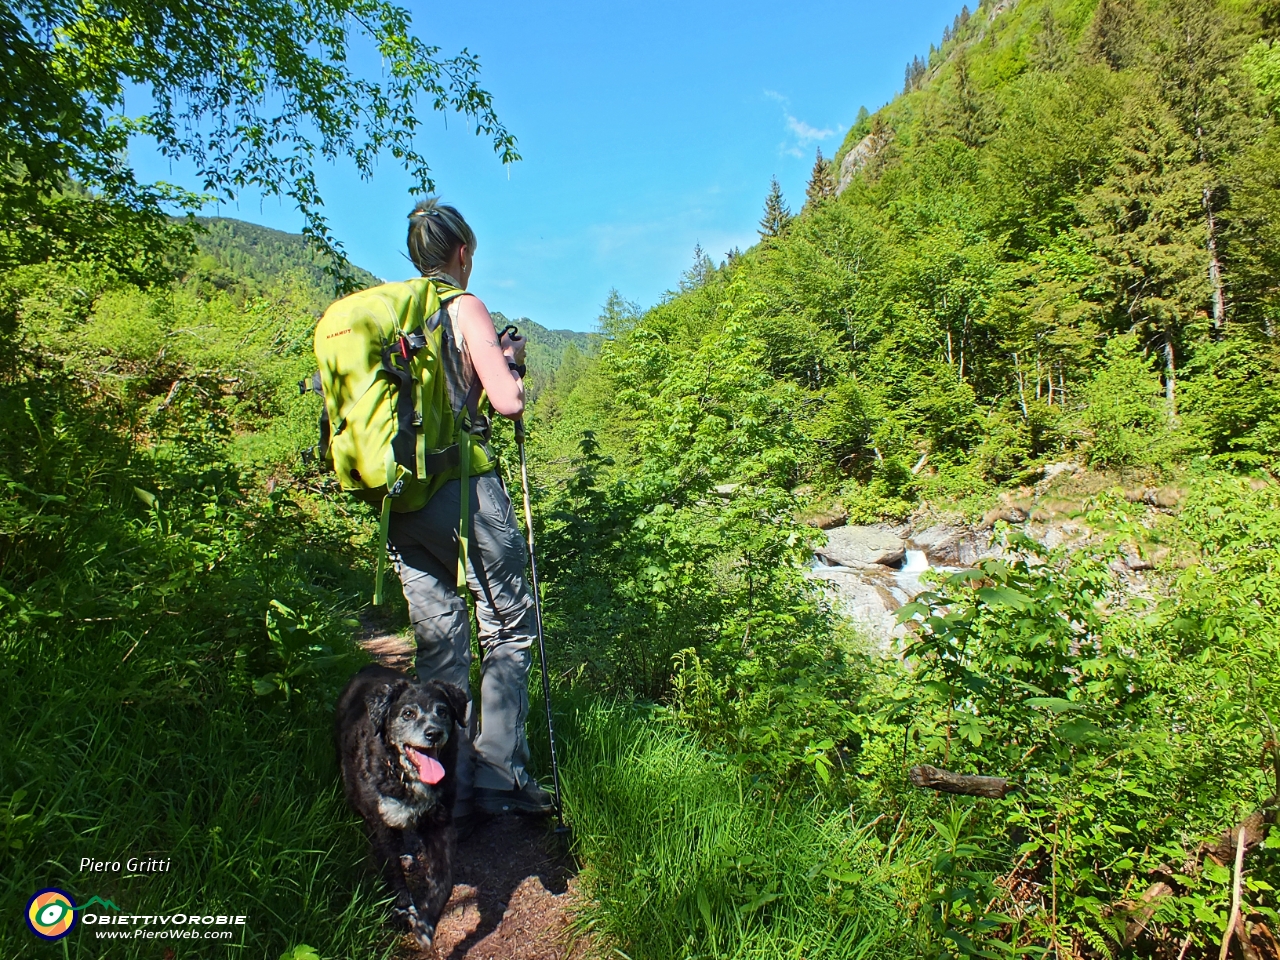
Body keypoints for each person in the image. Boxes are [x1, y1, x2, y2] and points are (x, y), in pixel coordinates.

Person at [388, 197, 555, 825]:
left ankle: (440, 778)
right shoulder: (462, 307)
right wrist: (506, 366)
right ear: (462, 253)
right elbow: (508, 402)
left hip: (399, 500)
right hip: (463, 490)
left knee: (439, 636)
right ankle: (497, 772)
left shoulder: (398, 317)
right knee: (510, 623)